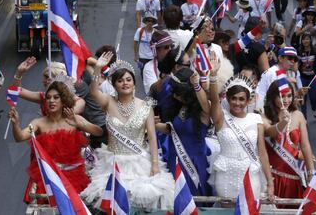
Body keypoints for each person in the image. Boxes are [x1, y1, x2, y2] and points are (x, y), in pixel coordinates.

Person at [82, 53, 174, 210]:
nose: (125, 83)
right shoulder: (108, 102)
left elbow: (152, 138)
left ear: (134, 82)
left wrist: (155, 164)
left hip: (139, 161)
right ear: (114, 85)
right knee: (112, 203)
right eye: (120, 80)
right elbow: (93, 92)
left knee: (141, 203)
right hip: (113, 161)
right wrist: (97, 68)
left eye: (128, 79)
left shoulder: (145, 106)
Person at [8, 80, 103, 204]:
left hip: (75, 177)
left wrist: (80, 124)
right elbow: (20, 137)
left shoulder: (74, 119)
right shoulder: (38, 123)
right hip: (50, 179)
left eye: (56, 97)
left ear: (63, 100)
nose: (51, 100)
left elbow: (99, 132)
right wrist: (15, 124)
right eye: (48, 98)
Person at [208, 56, 274, 204]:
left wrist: (270, 182)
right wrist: (213, 76)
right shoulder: (221, 118)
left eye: (241, 99)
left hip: (250, 174)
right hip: (226, 174)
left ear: (248, 100)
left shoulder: (256, 120)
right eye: (234, 98)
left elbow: (262, 153)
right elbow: (213, 99)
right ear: (228, 99)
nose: (237, 103)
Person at [155, 67, 212, 197]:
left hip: (194, 162)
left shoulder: (203, 112)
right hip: (175, 159)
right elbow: (172, 131)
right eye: (174, 92)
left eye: (179, 92)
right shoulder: (180, 108)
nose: (175, 95)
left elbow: (206, 106)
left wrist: (197, 85)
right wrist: (152, 123)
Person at [263, 81, 315, 206]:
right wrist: (282, 122)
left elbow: (305, 146)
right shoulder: (264, 117)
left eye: (289, 96)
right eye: (281, 96)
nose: (286, 100)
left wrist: (311, 173)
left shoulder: (298, 115)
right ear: (273, 96)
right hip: (272, 177)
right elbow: (270, 132)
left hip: (293, 177)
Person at [12, 58, 85, 116]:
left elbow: (64, 116)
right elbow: (16, 91)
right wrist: (19, 72)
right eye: (44, 77)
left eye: (48, 77)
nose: (45, 81)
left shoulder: (78, 101)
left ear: (60, 79)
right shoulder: (44, 97)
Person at [298, 32, 316, 119]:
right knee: (303, 99)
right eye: (304, 39)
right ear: (302, 41)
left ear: (310, 40)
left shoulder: (315, 50)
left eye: (307, 39)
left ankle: (314, 108)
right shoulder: (299, 51)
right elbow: (297, 63)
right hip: (302, 78)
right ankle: (304, 119)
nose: (305, 41)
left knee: (313, 98)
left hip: (313, 78)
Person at [143, 30, 174, 95]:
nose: (170, 49)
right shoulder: (148, 67)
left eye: (171, 46)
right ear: (156, 49)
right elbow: (153, 90)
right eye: (166, 47)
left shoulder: (175, 62)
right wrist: (166, 74)